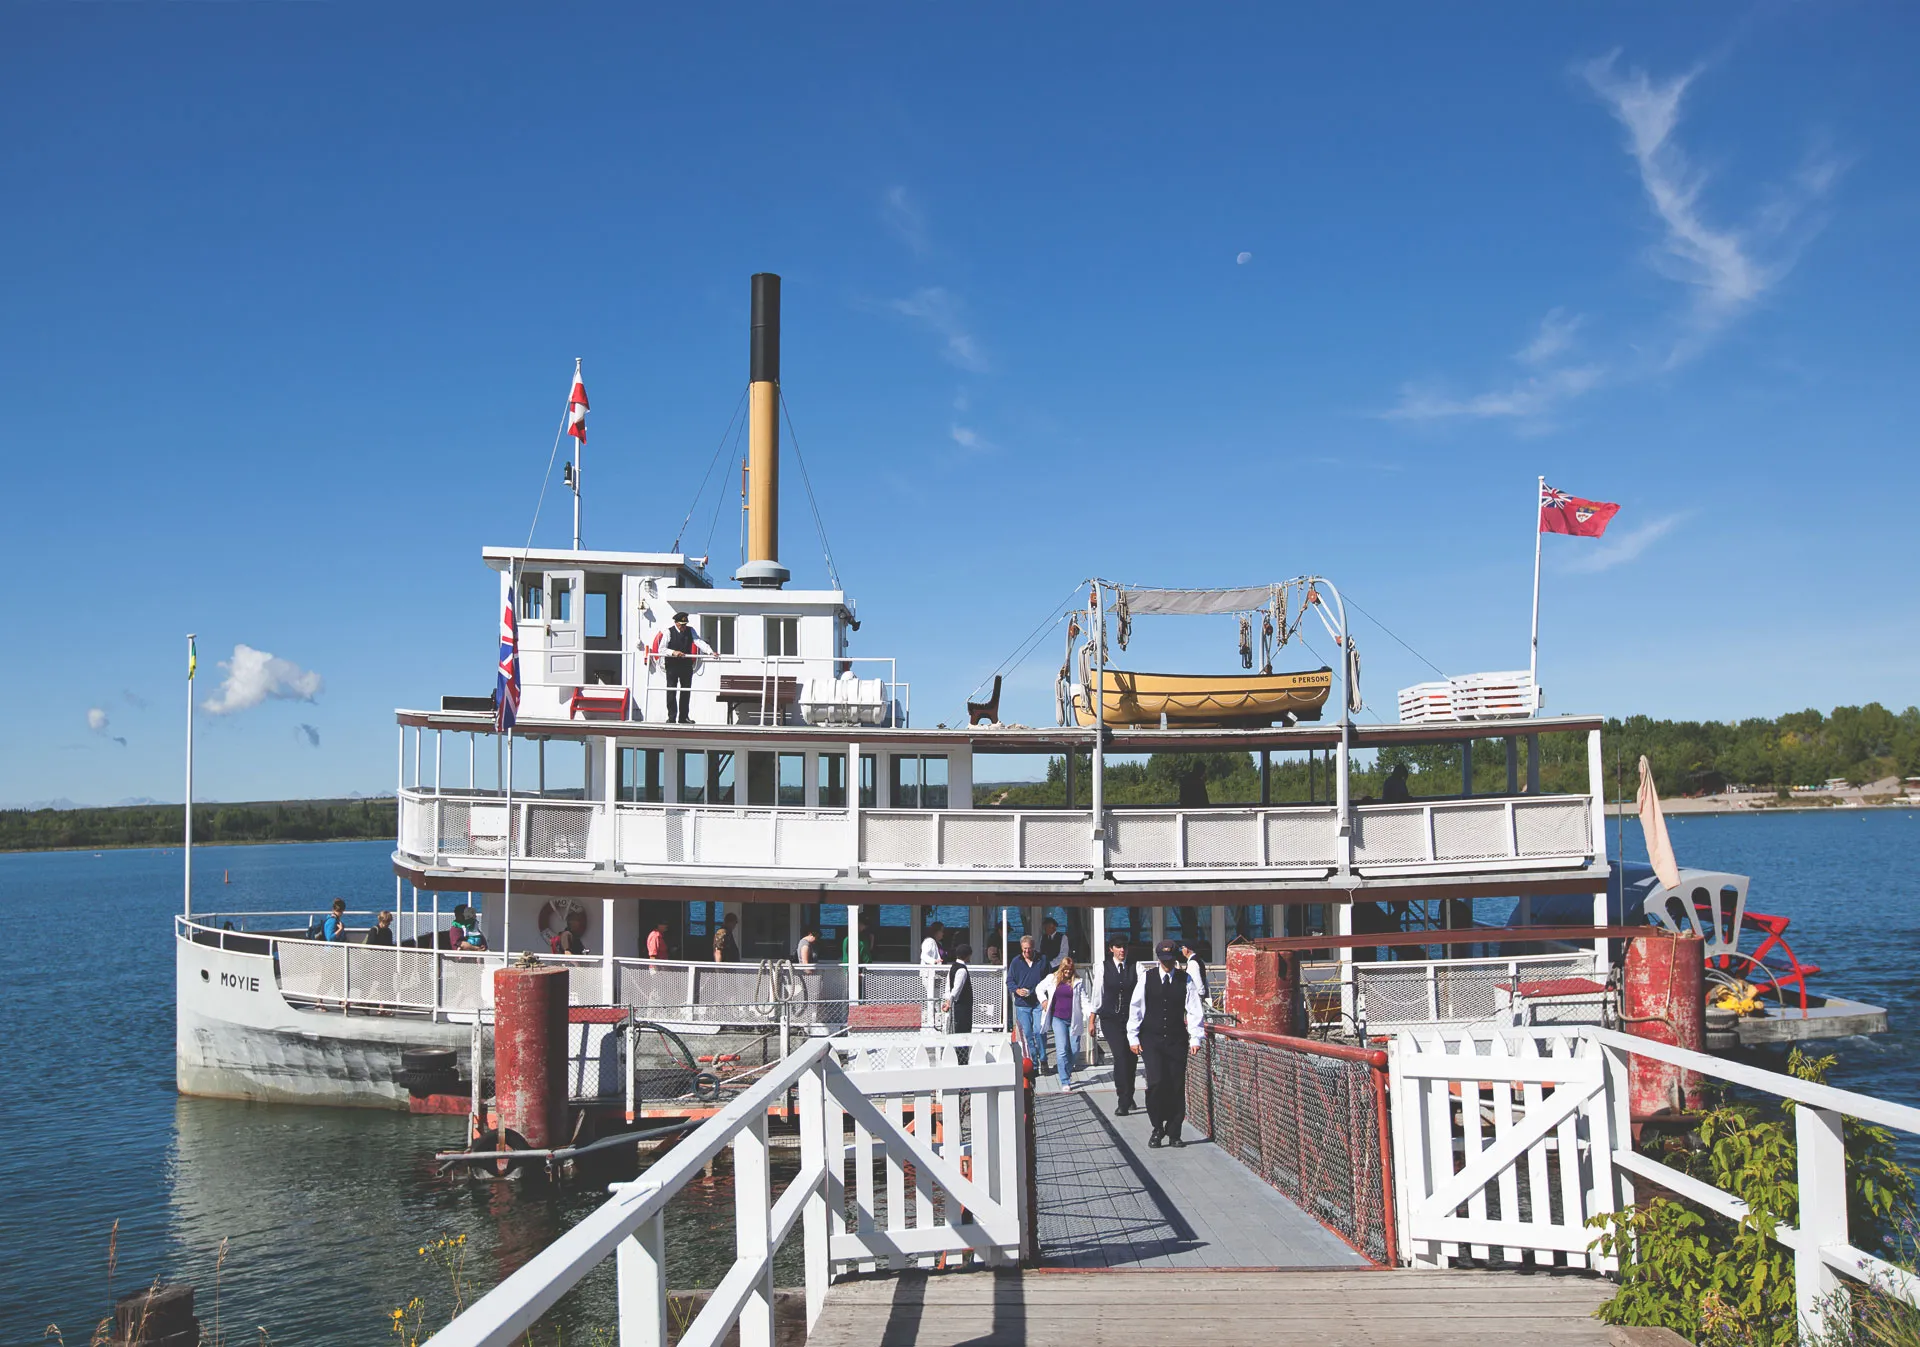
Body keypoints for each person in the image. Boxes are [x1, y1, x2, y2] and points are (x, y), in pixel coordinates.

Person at [1127, 939, 1206, 1148]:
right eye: (1164, 960)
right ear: (1158, 959)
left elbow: (1194, 1010)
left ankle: (1174, 1132)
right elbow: (1136, 1008)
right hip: (1151, 1039)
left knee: (1176, 1085)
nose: (1167, 964)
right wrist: (1133, 1037)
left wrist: (1195, 1037)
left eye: (1170, 960)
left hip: (1176, 1040)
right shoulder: (1146, 978)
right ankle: (1157, 1127)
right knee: (1155, 1083)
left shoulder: (1185, 979)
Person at [1088, 933, 1140, 1115]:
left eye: (1124, 946)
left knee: (1132, 1057)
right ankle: (1122, 1098)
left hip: (1131, 1019)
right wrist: (1092, 1019)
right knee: (1120, 1056)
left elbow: (1142, 993)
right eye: (1118, 947)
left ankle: (1130, 1094)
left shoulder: (1136, 967)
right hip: (1110, 1018)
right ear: (1111, 949)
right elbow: (1097, 993)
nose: (1122, 950)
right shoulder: (1103, 968)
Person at [1036, 956, 1088, 1091]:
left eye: (1070, 970)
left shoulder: (1078, 982)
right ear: (1061, 969)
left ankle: (1067, 1070)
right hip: (1057, 1018)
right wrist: (1044, 1001)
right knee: (1062, 1049)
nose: (1067, 972)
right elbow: (1039, 989)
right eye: (1065, 970)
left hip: (1073, 1019)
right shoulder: (1052, 978)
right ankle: (1064, 1080)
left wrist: (1091, 1015)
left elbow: (1084, 1000)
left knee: (1075, 1049)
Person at [648, 611, 709, 724]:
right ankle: (671, 717)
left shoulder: (690, 631)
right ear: (676, 623)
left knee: (686, 691)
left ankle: (684, 717)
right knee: (671, 691)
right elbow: (661, 649)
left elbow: (698, 641)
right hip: (672, 665)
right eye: (681, 624)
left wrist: (710, 652)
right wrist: (673, 652)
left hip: (686, 665)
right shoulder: (668, 632)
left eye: (685, 624)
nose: (683, 627)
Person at [1006, 934, 1049, 1069]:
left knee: (1039, 1030)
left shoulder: (1042, 959)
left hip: (1037, 1002)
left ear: (1033, 947)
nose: (1027, 952)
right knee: (1027, 1034)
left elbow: (1049, 979)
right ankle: (1033, 1064)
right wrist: (1017, 990)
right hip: (1022, 1003)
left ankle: (1043, 1059)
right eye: (1024, 949)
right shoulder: (1016, 961)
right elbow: (1009, 980)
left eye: (1029, 949)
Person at [941, 942, 974, 1063]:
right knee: (963, 1031)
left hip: (957, 1005)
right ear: (967, 956)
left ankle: (958, 1057)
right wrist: (950, 1001)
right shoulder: (962, 970)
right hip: (962, 1006)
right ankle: (962, 1058)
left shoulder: (953, 966)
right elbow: (956, 989)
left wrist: (947, 999)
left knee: (956, 1030)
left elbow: (948, 987)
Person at [919, 921, 946, 1027]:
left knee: (937, 997)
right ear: (936, 931)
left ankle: (937, 1019)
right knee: (933, 997)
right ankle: (932, 1021)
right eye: (942, 931)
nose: (943, 934)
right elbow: (923, 955)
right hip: (929, 975)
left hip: (935, 975)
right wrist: (933, 961)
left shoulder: (936, 943)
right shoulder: (929, 941)